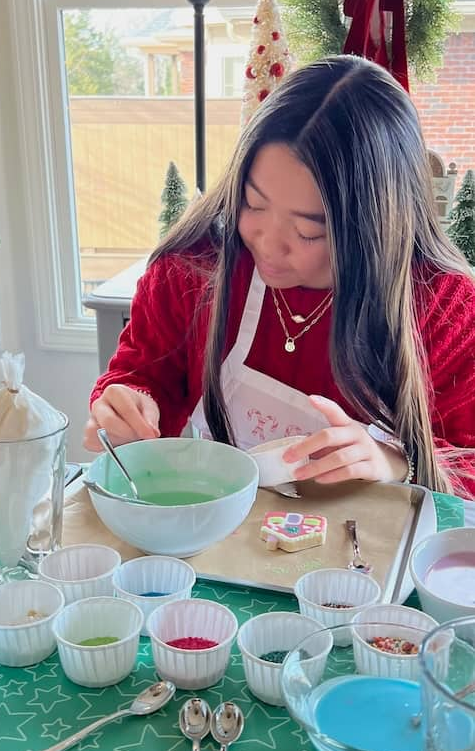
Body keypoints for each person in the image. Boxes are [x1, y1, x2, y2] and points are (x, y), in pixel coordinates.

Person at [84, 55, 475, 499]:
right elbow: (143, 374)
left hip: (363, 559)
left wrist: (396, 461)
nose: (268, 245)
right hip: (224, 540)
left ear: (374, 227)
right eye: (253, 204)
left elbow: (469, 460)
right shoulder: (195, 269)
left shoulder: (443, 307)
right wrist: (128, 402)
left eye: (308, 230)